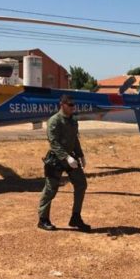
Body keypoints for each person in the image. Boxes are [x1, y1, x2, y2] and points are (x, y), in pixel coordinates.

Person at [37, 94, 90, 232]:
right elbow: (53, 142)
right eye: (70, 105)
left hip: (71, 159)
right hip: (56, 159)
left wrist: (80, 155)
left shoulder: (73, 121)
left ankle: (75, 218)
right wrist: (66, 157)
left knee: (81, 184)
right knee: (50, 189)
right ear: (62, 105)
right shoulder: (54, 121)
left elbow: (75, 139)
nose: (73, 107)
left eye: (74, 105)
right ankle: (43, 219)